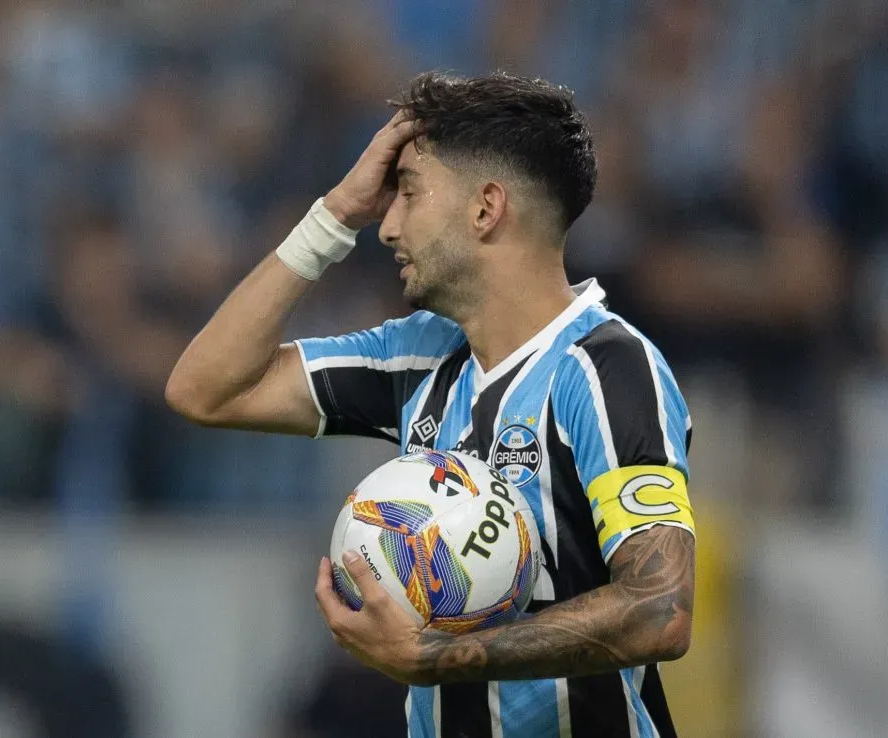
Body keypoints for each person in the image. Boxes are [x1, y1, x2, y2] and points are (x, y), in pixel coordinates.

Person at [166, 71, 696, 738]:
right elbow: (206, 388)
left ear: (486, 209)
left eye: (409, 194)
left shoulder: (605, 368)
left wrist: (437, 657)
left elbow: (661, 609)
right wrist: (333, 215)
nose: (386, 226)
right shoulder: (418, 356)